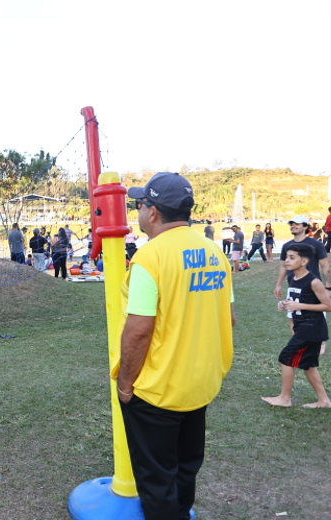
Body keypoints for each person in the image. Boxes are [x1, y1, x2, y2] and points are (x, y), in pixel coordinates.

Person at [113, 172, 235, 520]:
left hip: (157, 389)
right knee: (185, 465)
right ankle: (181, 512)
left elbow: (138, 331)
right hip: (201, 383)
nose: (137, 212)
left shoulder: (150, 258)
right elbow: (229, 317)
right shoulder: (215, 253)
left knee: (157, 476)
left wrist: (125, 382)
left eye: (139, 205)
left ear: (152, 212)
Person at [262, 242, 331, 409]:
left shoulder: (314, 281)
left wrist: (300, 306)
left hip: (312, 328)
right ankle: (324, 401)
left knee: (286, 358)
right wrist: (285, 304)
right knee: (307, 365)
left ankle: (285, 398)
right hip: (302, 327)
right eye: (287, 257)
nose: (287, 260)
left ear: (303, 261)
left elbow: (329, 306)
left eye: (292, 257)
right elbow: (298, 299)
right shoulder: (293, 277)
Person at [274, 216, 331, 299]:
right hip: (294, 287)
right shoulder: (286, 246)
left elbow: (325, 266)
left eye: (297, 224)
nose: (293, 226)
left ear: (305, 226)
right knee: (294, 311)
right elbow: (283, 266)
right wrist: (278, 285)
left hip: (313, 287)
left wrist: (328, 288)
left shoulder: (317, 244)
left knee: (314, 311)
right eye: (291, 224)